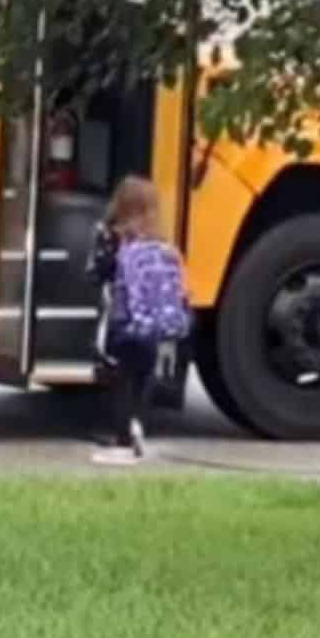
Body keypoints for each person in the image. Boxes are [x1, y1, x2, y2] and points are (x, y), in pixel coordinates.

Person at [87, 175, 191, 466]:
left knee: (120, 377)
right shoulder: (163, 242)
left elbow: (95, 273)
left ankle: (122, 440)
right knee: (144, 374)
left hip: (122, 318)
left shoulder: (112, 236)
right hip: (154, 323)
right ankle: (137, 426)